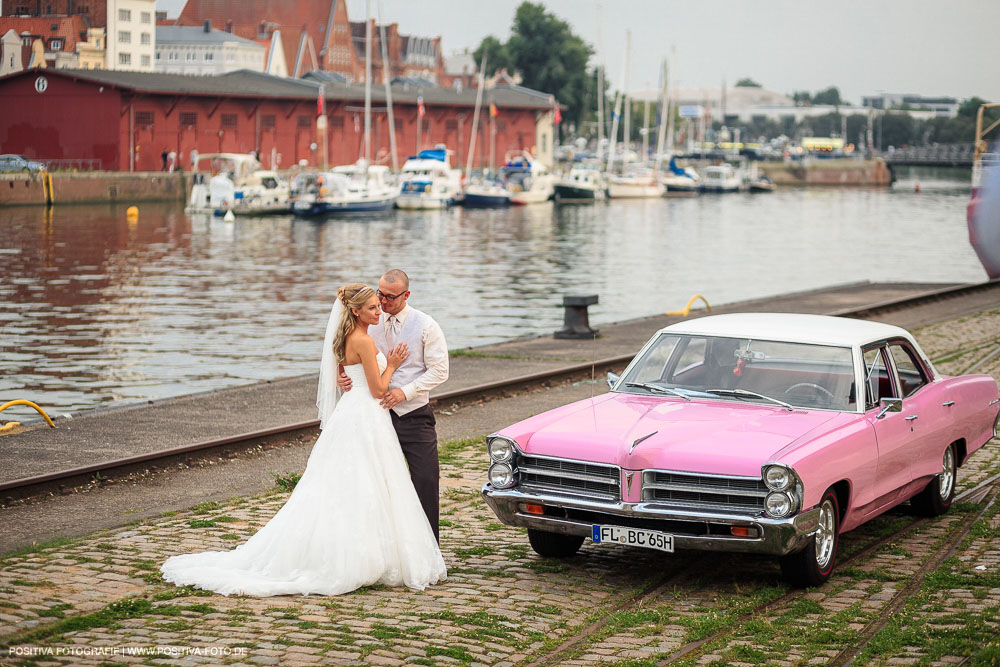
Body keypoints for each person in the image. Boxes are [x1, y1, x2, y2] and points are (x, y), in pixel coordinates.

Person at [160, 284, 447, 596]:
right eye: (374, 306)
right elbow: (377, 389)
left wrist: (347, 375)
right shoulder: (364, 338)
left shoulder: (363, 333)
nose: (379, 310)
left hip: (363, 414)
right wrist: (390, 364)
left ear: (406, 294)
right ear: (356, 311)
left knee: (363, 482)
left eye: (382, 304)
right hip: (368, 413)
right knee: (365, 482)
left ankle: (379, 547)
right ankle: (361, 553)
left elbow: (346, 367)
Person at [338, 269, 449, 541]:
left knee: (425, 479)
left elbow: (440, 371)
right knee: (375, 482)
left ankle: (427, 547)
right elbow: (349, 355)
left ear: (406, 295)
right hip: (374, 415)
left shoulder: (426, 325)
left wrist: (405, 392)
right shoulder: (368, 318)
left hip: (413, 415)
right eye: (380, 295)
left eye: (389, 297)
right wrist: (343, 376)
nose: (382, 302)